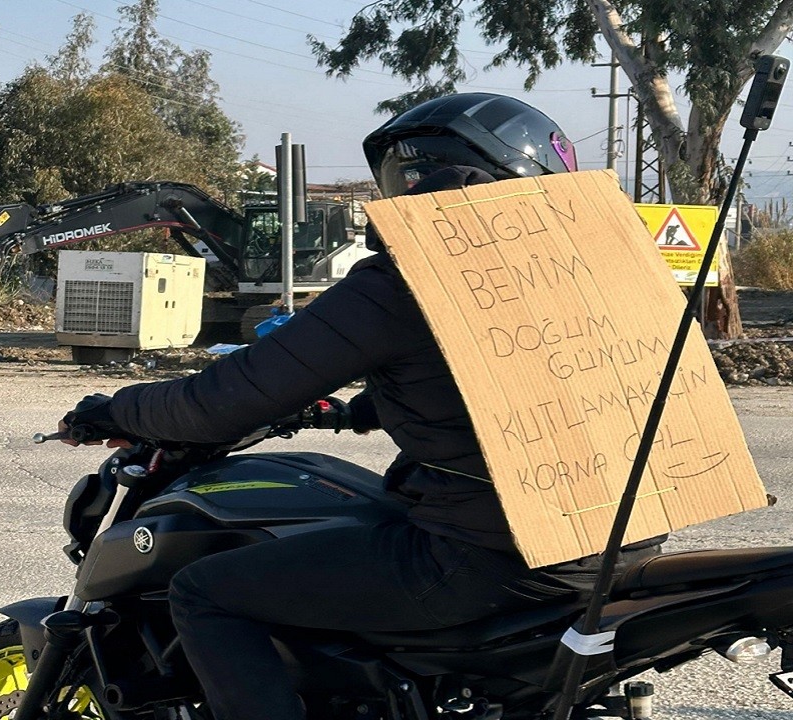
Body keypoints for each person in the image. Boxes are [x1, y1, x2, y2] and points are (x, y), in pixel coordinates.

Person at [60, 93, 662, 720]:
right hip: (628, 540)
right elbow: (480, 381)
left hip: (491, 558)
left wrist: (116, 409)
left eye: (405, 176)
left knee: (206, 593)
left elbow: (219, 402)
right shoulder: (571, 275)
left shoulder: (406, 280)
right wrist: (354, 411)